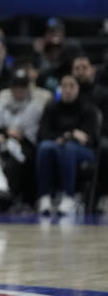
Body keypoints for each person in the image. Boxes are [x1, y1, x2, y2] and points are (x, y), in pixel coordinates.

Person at [0, 69, 44, 210]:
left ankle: (7, 198)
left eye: (22, 87)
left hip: (22, 145)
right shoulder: (0, 104)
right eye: (16, 87)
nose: (19, 90)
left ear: (27, 88)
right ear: (11, 88)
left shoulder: (35, 108)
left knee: (12, 161)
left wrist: (6, 134)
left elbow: (24, 135)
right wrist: (5, 133)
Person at [35, 74, 99, 216]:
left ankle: (68, 196)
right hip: (57, 145)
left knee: (68, 148)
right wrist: (70, 135)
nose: (68, 89)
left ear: (78, 89)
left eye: (72, 86)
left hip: (84, 152)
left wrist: (66, 137)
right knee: (45, 147)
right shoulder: (51, 107)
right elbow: (43, 134)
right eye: (64, 86)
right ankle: (44, 197)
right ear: (60, 88)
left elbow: (88, 139)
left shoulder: (88, 109)